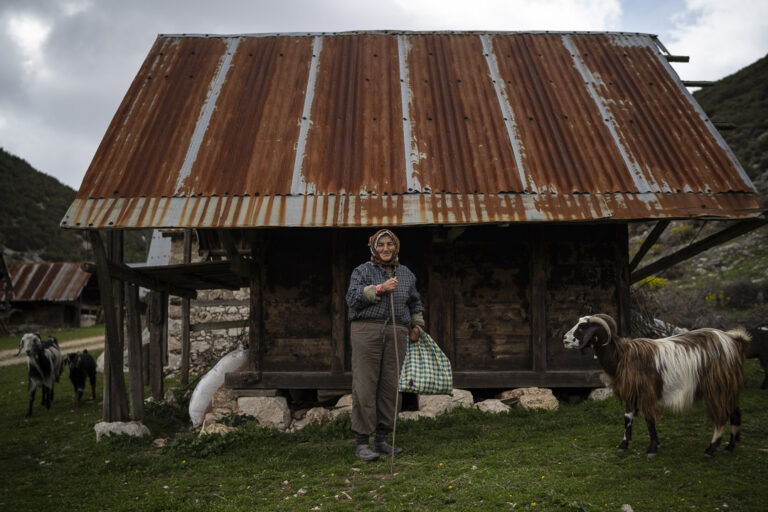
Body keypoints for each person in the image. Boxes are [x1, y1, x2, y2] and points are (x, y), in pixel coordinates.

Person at [345, 228, 425, 461]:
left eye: (390, 244)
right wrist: (380, 289)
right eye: (381, 245)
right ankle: (362, 442)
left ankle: (381, 440)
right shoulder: (362, 271)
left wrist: (418, 326)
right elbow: (351, 298)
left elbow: (415, 303)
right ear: (373, 248)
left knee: (390, 386)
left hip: (397, 331)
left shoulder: (407, 274)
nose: (386, 249)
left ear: (396, 247)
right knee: (365, 385)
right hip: (366, 330)